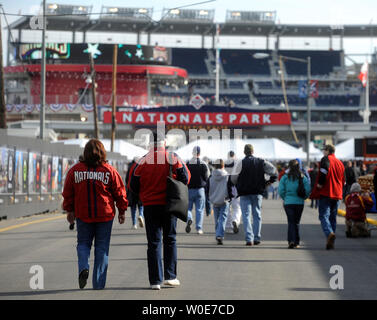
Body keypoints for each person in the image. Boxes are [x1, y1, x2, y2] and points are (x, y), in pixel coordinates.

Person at [62, 139, 128, 290]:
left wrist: (69, 210)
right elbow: (120, 192)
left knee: (83, 244)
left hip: (83, 215)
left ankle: (83, 267)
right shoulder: (109, 170)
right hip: (105, 215)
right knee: (102, 247)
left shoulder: (74, 170)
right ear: (102, 152)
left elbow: (68, 193)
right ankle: (98, 284)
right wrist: (122, 211)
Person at [129, 133, 190, 290]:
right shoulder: (172, 157)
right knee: (170, 239)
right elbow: (186, 178)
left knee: (153, 242)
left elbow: (133, 184)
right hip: (170, 204)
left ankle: (155, 281)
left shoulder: (143, 160)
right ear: (165, 142)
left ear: (151, 143)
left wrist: (144, 192)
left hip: (149, 205)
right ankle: (170, 276)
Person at [231, 144, 277, 246]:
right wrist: (269, 182)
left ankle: (249, 238)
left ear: (244, 152)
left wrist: (238, 185)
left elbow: (233, 179)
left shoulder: (240, 163)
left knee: (246, 216)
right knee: (257, 215)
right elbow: (273, 171)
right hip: (257, 192)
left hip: (244, 192)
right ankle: (257, 237)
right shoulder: (261, 161)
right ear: (253, 151)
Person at [310, 144, 345, 250]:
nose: (322, 152)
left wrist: (320, 184)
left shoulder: (325, 159)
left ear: (328, 151)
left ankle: (329, 233)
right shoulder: (340, 163)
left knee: (323, 216)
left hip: (326, 191)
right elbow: (344, 181)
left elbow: (323, 172)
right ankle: (330, 241)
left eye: (324, 150)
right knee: (333, 217)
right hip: (337, 193)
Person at [278, 159, 311, 248]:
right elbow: (308, 189)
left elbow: (280, 190)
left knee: (291, 221)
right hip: (299, 203)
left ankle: (291, 241)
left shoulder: (285, 177)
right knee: (296, 222)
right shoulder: (302, 177)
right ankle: (296, 241)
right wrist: (303, 198)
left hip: (288, 203)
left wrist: (285, 198)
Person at [207, 159, 233, 245]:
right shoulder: (227, 176)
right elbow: (230, 188)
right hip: (224, 200)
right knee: (223, 218)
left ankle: (218, 234)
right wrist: (231, 197)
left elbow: (208, 187)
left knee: (217, 219)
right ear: (223, 166)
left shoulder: (211, 176)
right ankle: (219, 235)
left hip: (214, 200)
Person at [185, 146, 210, 234]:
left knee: (188, 208)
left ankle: (189, 218)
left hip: (189, 189)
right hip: (200, 189)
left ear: (193, 152)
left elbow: (185, 175)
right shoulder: (203, 163)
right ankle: (199, 228)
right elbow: (207, 176)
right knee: (199, 209)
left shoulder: (187, 162)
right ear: (199, 153)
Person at [224, 151, 242, 234]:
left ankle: (228, 225)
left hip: (226, 186)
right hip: (236, 186)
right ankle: (235, 220)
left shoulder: (225, 163)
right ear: (234, 155)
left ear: (228, 155)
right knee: (237, 207)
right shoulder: (238, 162)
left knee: (226, 207)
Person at [125, 157, 145, 230]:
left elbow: (127, 178)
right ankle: (141, 215)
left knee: (133, 207)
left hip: (131, 190)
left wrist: (127, 187)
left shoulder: (131, 166)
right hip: (140, 190)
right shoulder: (141, 166)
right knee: (141, 206)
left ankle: (134, 224)